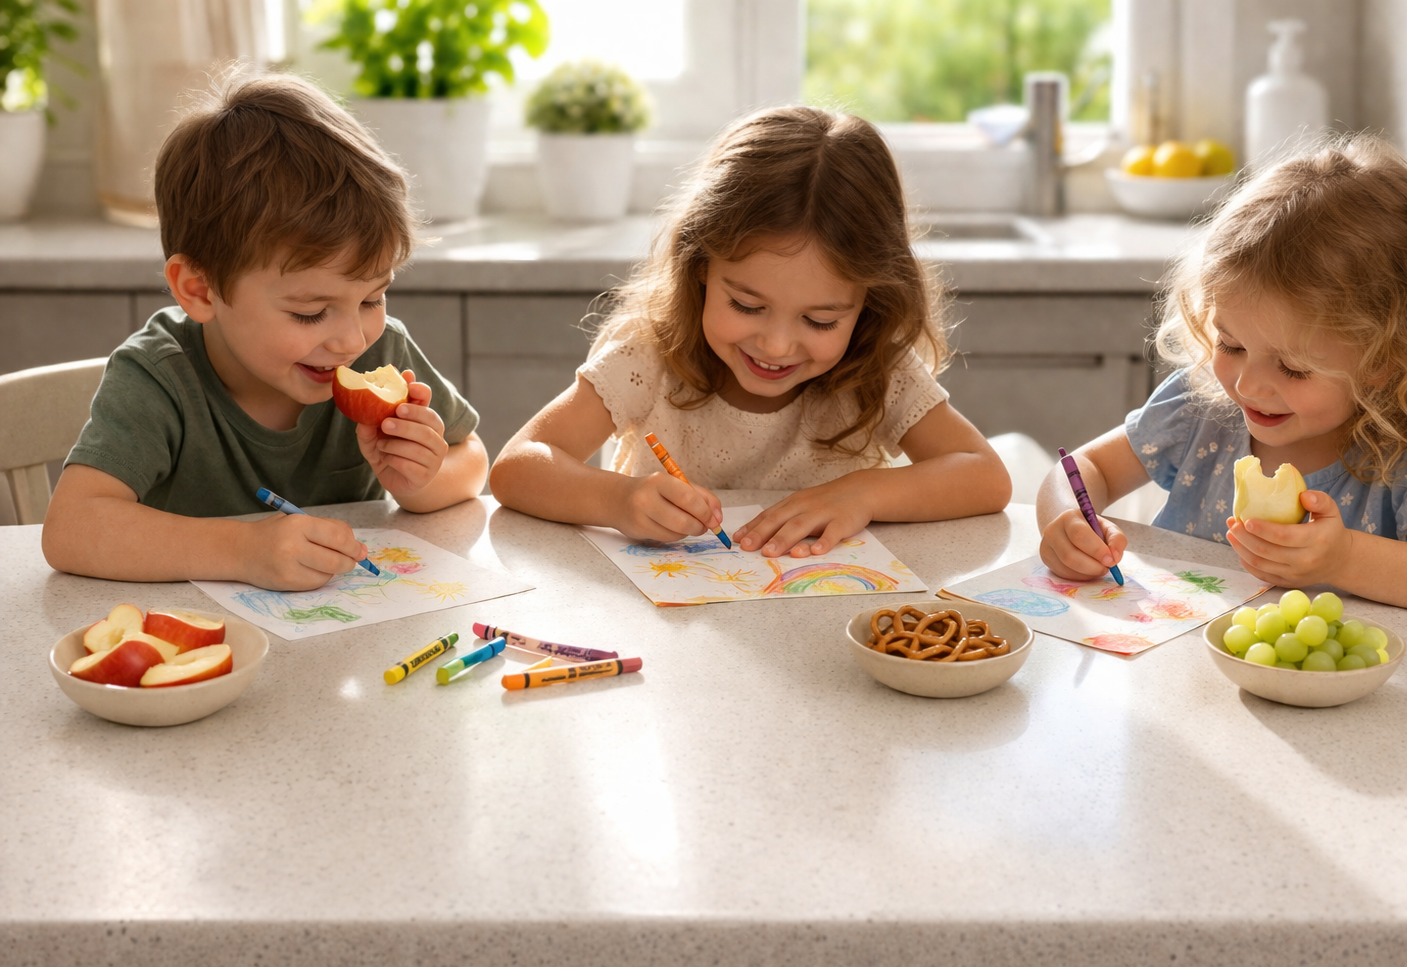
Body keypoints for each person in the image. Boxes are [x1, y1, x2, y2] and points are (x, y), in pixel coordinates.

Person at [1037, 137, 1407, 624]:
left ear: (1389, 357)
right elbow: (1081, 471)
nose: (1248, 384)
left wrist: (1346, 559)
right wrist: (1067, 520)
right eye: (1230, 345)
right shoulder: (1201, 407)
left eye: (1292, 368)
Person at [491, 106, 1010, 556]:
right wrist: (617, 500)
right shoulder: (649, 354)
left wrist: (864, 493)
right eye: (746, 304)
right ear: (700, 267)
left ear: (868, 304)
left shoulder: (875, 367)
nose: (776, 345)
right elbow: (516, 467)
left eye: (820, 320)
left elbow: (984, 476)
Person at [41, 74, 487, 590]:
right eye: (309, 312)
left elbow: (472, 459)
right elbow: (70, 529)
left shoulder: (380, 349)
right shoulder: (160, 377)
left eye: (371, 299)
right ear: (201, 291)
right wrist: (245, 550)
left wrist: (419, 481)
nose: (350, 339)